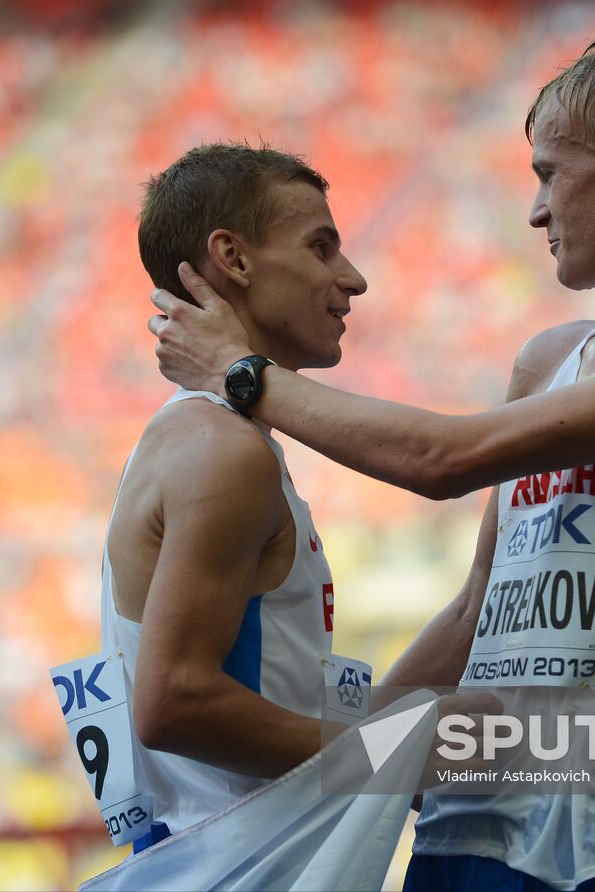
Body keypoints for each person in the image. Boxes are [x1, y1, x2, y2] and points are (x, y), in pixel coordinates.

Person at [147, 32, 595, 892]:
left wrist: (244, 375)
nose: (536, 209)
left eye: (549, 173)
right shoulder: (548, 360)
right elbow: (474, 614)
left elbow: (442, 459)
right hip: (460, 837)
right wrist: (340, 767)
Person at [106, 142, 368, 852]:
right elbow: (175, 703)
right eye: (321, 248)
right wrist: (383, 759)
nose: (354, 279)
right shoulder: (225, 453)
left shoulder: (200, 437)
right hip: (230, 860)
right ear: (235, 259)